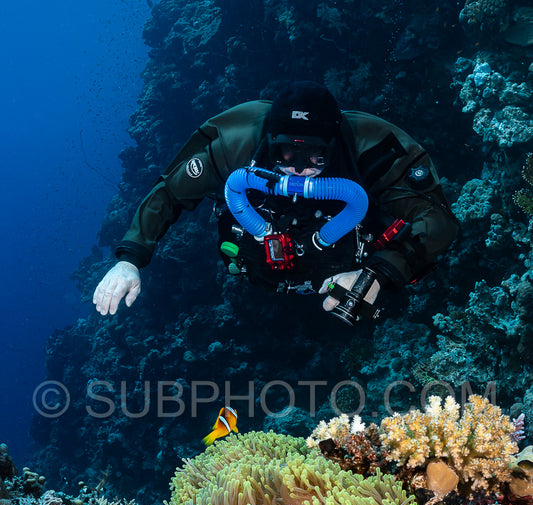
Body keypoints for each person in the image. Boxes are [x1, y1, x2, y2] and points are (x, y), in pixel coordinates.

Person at [93, 82, 458, 325]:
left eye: (315, 157)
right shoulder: (234, 143)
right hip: (255, 282)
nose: (297, 170)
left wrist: (379, 273)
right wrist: (130, 259)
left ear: (333, 147)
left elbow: (437, 219)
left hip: (344, 286)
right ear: (269, 142)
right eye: (285, 153)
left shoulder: (374, 148)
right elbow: (169, 192)